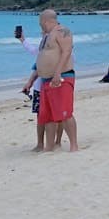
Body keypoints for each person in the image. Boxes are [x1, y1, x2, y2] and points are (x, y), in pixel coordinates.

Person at [34, 9, 78, 152]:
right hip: (46, 80)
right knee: (48, 116)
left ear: (46, 20)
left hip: (62, 77)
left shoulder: (62, 30)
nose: (40, 25)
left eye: (41, 22)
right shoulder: (46, 36)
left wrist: (58, 73)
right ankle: (49, 147)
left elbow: (66, 51)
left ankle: (73, 146)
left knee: (65, 113)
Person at [19, 26, 63, 152]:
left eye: (44, 31)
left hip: (51, 85)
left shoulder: (57, 47)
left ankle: (54, 142)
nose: (42, 33)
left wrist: (30, 82)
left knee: (54, 116)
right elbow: (34, 53)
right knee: (42, 116)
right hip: (41, 86)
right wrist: (23, 40)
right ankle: (43, 143)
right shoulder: (43, 47)